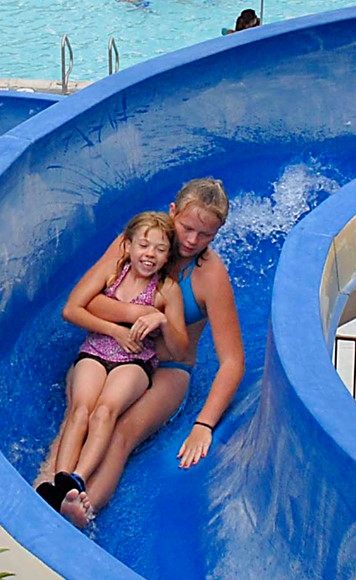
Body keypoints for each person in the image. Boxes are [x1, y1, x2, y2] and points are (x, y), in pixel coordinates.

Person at [38, 179, 245, 524]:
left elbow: (232, 361)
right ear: (172, 212)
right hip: (111, 349)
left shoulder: (209, 275)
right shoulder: (136, 243)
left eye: (206, 234)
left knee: (121, 430)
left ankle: (83, 507)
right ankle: (43, 491)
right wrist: (136, 314)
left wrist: (204, 424)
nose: (193, 241)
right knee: (79, 415)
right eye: (187, 228)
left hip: (169, 367)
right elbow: (85, 302)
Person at [37, 211, 187, 526]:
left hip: (134, 361)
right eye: (144, 246)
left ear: (167, 255)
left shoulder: (166, 290)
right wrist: (117, 330)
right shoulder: (111, 271)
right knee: (81, 410)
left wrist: (162, 319)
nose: (150, 255)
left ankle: (79, 477)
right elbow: (71, 310)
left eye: (160, 250)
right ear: (128, 246)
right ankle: (59, 483)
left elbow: (178, 349)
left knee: (105, 411)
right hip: (96, 350)